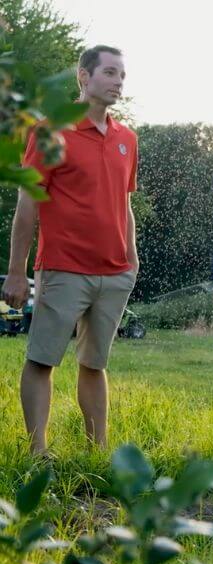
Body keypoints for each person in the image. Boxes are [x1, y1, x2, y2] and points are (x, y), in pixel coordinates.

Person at [1, 45, 139, 455]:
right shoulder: (50, 134)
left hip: (114, 273)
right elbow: (28, 204)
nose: (117, 82)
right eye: (110, 73)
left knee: (95, 365)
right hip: (63, 268)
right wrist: (15, 270)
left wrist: (131, 259)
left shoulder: (126, 139)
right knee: (43, 360)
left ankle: (97, 451)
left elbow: (125, 203)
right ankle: (37, 451)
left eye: (122, 76)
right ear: (83, 76)